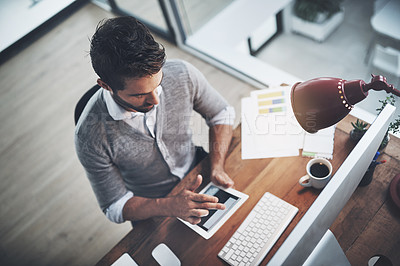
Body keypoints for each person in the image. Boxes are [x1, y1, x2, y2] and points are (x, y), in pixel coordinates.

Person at [75, 16, 235, 225]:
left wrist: (217, 166)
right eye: (139, 95)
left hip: (201, 170)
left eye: (157, 84)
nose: (156, 100)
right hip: (151, 207)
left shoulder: (182, 73)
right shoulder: (89, 137)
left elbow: (221, 113)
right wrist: (169, 205)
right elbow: (114, 206)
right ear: (105, 85)